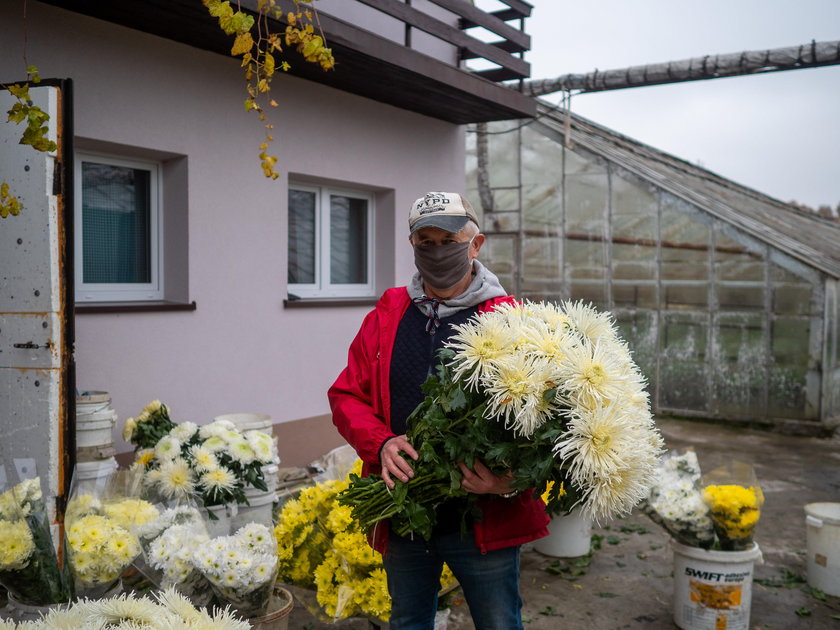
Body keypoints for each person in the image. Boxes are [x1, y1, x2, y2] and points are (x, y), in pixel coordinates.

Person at [328, 192, 549, 630]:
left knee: (499, 622)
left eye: (448, 239)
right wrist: (383, 443)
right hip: (406, 509)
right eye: (424, 242)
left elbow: (550, 423)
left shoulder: (512, 323)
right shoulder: (388, 315)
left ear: (476, 244)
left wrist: (508, 483)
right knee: (408, 621)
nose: (436, 251)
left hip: (484, 516)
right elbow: (346, 395)